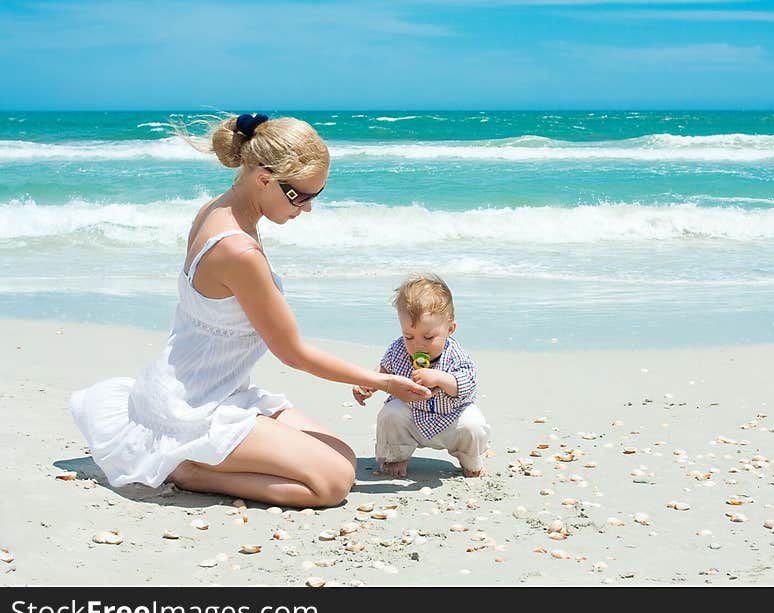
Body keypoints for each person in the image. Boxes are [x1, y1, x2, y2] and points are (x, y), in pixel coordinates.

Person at [69, 113, 432, 508]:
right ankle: (185, 468)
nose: (308, 209)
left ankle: (196, 459)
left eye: (317, 194)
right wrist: (383, 382)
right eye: (303, 196)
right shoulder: (239, 251)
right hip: (190, 407)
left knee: (341, 457)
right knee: (332, 484)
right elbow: (293, 353)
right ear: (264, 179)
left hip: (216, 388)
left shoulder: (220, 209)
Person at [352, 273, 490, 477]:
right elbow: (383, 371)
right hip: (411, 416)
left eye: (428, 337)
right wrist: (367, 386)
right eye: (409, 336)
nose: (418, 344)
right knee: (390, 414)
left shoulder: (455, 355)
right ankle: (395, 457)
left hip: (452, 417)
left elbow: (466, 385)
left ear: (450, 329)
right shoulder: (398, 349)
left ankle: (471, 462)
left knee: (473, 424)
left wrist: (440, 378)